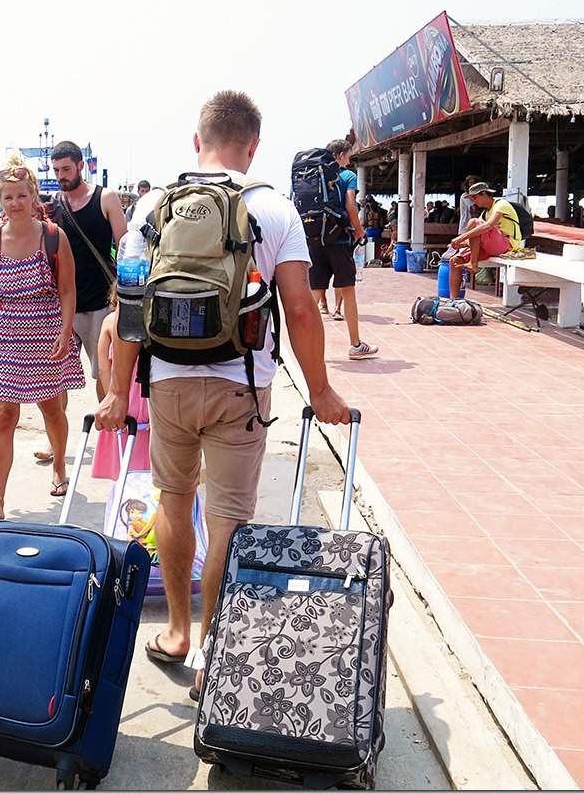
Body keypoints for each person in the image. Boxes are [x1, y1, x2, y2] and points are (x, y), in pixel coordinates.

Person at [95, 90, 351, 701]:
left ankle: (178, 633)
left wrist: (114, 394)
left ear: (196, 141)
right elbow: (301, 310)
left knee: (174, 501)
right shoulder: (273, 208)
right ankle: (216, 648)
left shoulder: (155, 205)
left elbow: (131, 307)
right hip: (242, 385)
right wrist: (321, 389)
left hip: (168, 384)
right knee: (230, 520)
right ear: (253, 146)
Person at [0, 153, 82, 525]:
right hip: (5, 333)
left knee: (52, 408)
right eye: (8, 197)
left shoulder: (53, 237)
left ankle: (59, 468)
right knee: (3, 416)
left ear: (34, 197)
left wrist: (66, 331)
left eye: (21, 196)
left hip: (45, 330)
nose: (15, 204)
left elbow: (67, 290)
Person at [32, 141, 127, 464]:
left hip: (101, 303)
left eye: (66, 170)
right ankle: (55, 443)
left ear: (80, 166)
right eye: (56, 170)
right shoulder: (51, 206)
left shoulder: (106, 199)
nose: (61, 176)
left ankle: (110, 439)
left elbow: (125, 248)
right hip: (62, 307)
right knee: (54, 378)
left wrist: (124, 300)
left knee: (106, 375)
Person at [308, 139, 378, 358]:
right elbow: (350, 206)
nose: (349, 161)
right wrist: (359, 231)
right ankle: (356, 345)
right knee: (348, 291)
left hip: (315, 240)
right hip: (338, 241)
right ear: (339, 155)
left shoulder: (311, 176)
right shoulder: (348, 176)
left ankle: (307, 347)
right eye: (348, 156)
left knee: (313, 294)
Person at [90, 294, 151, 480]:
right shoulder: (151, 323)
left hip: (124, 403)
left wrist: (112, 395)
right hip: (148, 401)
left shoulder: (109, 322)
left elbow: (103, 367)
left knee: (125, 471)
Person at [446, 184, 524, 297]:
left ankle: (473, 263)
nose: (473, 201)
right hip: (492, 246)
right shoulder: (485, 213)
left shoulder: (501, 204)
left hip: (508, 246)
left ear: (484, 194)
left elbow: (488, 226)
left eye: (475, 197)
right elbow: (477, 237)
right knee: (454, 261)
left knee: (474, 223)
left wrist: (461, 237)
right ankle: (453, 301)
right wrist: (463, 244)